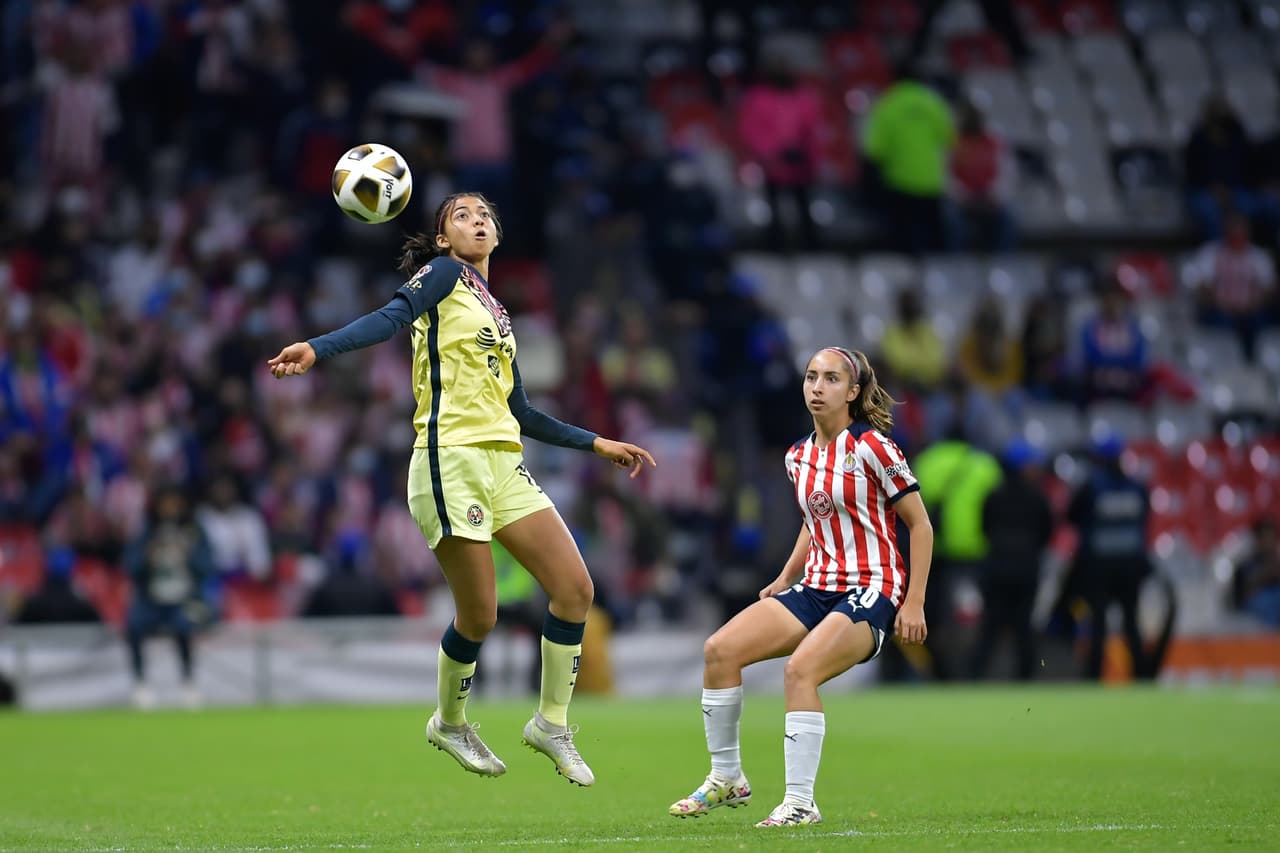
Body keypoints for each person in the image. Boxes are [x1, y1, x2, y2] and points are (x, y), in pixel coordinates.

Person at [267, 193, 655, 786]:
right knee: (480, 615)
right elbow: (390, 318)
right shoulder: (444, 274)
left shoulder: (495, 311)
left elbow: (520, 410)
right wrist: (318, 348)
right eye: (462, 215)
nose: (478, 221)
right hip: (451, 458)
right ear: (444, 238)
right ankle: (449, 722)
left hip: (505, 463)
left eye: (485, 216)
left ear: (497, 234)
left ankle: (551, 724)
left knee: (575, 589)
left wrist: (596, 442)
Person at [667, 347, 932, 827]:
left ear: (852, 392)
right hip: (816, 587)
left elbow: (920, 524)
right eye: (811, 377)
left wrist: (913, 602)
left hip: (872, 587)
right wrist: (786, 577)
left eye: (831, 379)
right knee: (719, 651)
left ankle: (800, 803)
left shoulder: (873, 447)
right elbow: (815, 522)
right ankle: (727, 777)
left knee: (800, 670)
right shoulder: (798, 456)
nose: (817, 387)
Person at [1067, 435, 1152, 680]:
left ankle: (1094, 675)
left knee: (1098, 622)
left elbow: (1072, 516)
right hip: (1130, 564)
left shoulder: (1092, 487)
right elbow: (1144, 519)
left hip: (1099, 565)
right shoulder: (1137, 487)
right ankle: (1141, 674)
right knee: (1131, 621)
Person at [123, 485, 215, 710]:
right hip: (151, 598)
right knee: (134, 625)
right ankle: (140, 683)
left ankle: (188, 682)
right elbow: (130, 566)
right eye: (165, 504)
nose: (170, 509)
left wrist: (187, 554)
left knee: (184, 626)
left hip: (185, 598)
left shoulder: (194, 531)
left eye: (174, 504)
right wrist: (149, 556)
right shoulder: (147, 532)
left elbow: (208, 566)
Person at [967, 440, 1053, 681]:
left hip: (997, 568)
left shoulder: (993, 496)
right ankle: (1025, 676)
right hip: (1026, 569)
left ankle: (976, 674)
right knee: (1023, 625)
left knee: (991, 626)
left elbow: (984, 528)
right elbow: (1047, 532)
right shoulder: (1037, 497)